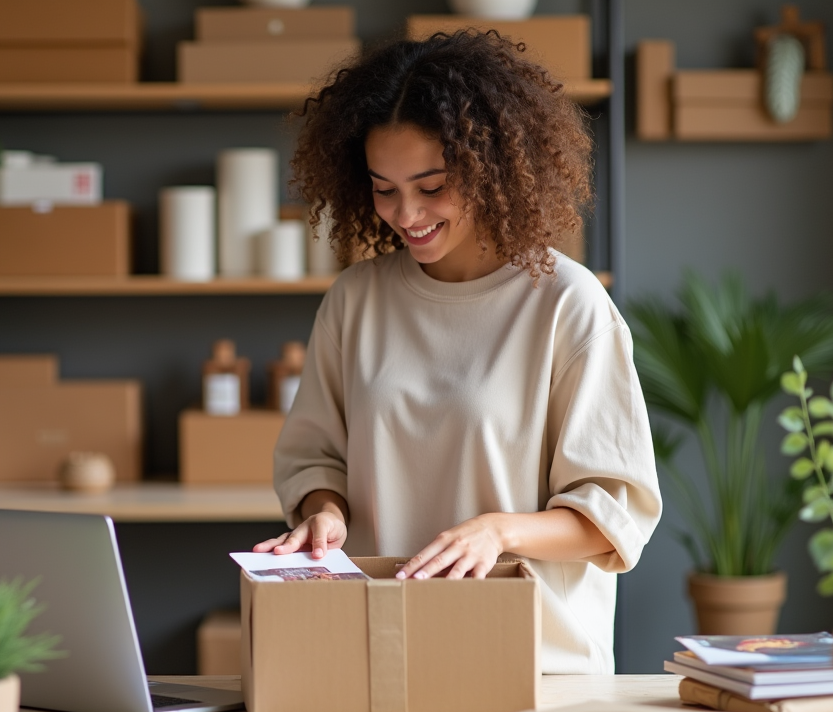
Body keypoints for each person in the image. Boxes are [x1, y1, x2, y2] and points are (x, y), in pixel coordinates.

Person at [253, 31, 662, 674]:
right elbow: (316, 459)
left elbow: (611, 517)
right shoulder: (356, 301)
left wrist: (499, 531)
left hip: (534, 665)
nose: (406, 212)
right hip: (386, 652)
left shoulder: (567, 304)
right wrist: (323, 513)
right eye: (383, 188)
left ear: (490, 167)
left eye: (431, 185)